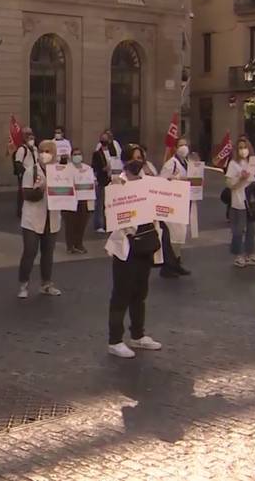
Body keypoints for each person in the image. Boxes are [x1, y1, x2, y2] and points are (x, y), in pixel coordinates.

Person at [104, 144, 164, 358]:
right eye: (134, 158)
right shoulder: (118, 183)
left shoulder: (148, 183)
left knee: (140, 293)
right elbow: (114, 215)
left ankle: (137, 335)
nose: (138, 161)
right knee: (122, 293)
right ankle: (115, 340)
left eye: (141, 157)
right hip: (126, 246)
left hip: (146, 243)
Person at [18, 139, 63, 298]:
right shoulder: (32, 171)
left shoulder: (60, 172)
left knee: (48, 253)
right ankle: (23, 284)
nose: (46, 154)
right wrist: (41, 190)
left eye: (49, 151)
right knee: (30, 251)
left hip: (52, 218)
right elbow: (27, 195)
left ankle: (46, 284)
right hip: (33, 218)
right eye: (43, 150)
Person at [159, 137, 193, 278]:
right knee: (173, 235)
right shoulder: (170, 164)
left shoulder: (188, 163)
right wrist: (176, 180)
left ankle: (176, 263)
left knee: (180, 234)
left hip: (185, 201)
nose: (183, 147)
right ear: (175, 147)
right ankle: (168, 266)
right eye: (180, 145)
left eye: (185, 144)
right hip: (172, 203)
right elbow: (162, 182)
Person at [225, 136, 255, 267]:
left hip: (251, 202)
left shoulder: (253, 163)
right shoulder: (233, 164)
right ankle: (238, 255)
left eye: (245, 147)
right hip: (238, 201)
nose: (243, 150)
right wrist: (240, 178)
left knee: (251, 229)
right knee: (238, 230)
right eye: (240, 147)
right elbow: (229, 183)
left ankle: (250, 253)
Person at [65, 148, 95, 254]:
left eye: (79, 154)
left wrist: (93, 184)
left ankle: (79, 243)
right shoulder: (66, 168)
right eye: (75, 154)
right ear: (71, 156)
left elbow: (93, 180)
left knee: (82, 223)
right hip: (70, 201)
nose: (77, 156)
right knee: (70, 223)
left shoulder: (88, 169)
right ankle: (70, 245)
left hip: (84, 199)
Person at [92, 130, 123, 233]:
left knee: (109, 204)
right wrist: (103, 169)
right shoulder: (97, 153)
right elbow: (95, 166)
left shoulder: (112, 151)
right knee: (100, 203)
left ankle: (108, 224)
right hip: (102, 180)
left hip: (111, 179)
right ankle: (99, 225)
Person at [12, 127, 37, 217]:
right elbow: (18, 163)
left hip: (34, 174)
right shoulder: (22, 149)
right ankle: (21, 211)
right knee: (23, 193)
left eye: (32, 138)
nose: (31, 140)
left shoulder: (35, 149)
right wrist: (24, 173)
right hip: (25, 174)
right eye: (29, 138)